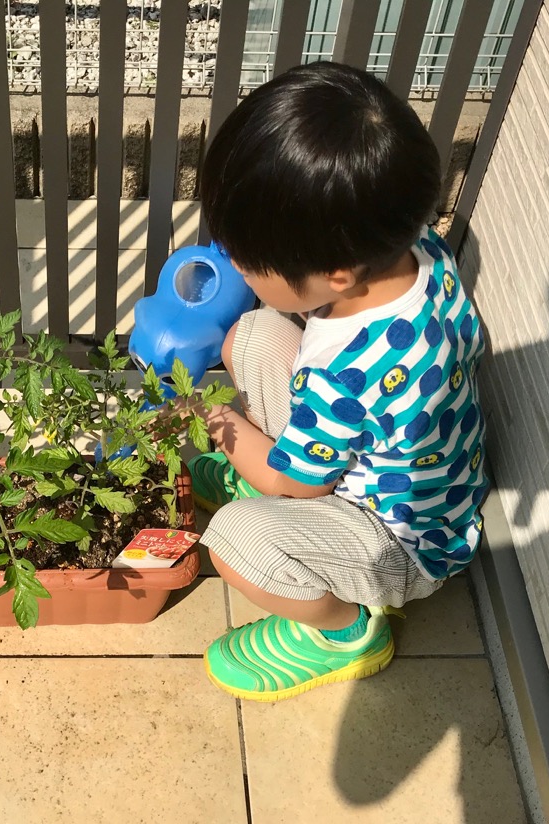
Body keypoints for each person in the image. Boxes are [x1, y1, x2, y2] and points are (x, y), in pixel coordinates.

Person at [189, 61, 488, 702]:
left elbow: (300, 479)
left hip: (396, 541)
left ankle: (346, 632)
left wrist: (226, 428)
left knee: (236, 540)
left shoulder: (347, 369)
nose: (233, 263)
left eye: (249, 258)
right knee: (257, 334)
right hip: (410, 473)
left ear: (338, 272)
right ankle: (276, 493)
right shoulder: (420, 251)